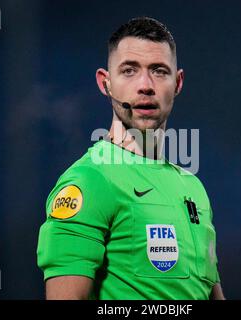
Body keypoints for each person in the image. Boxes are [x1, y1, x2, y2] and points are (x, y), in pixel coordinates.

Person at [37, 16, 225, 300]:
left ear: (178, 82)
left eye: (159, 71)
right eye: (129, 71)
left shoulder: (193, 189)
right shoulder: (90, 181)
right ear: (106, 83)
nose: (145, 85)